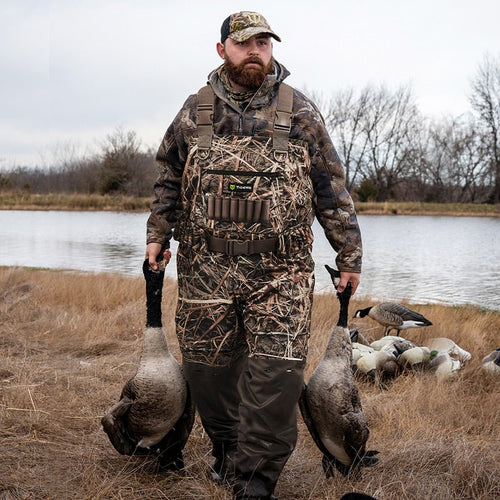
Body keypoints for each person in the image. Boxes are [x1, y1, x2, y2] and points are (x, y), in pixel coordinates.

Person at [145, 11, 362, 500]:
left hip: (280, 272)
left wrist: (348, 255)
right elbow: (168, 179)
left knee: (277, 376)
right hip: (206, 269)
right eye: (244, 43)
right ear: (221, 49)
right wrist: (158, 231)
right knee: (207, 374)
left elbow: (331, 188)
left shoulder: (299, 111)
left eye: (263, 43)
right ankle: (227, 453)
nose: (255, 51)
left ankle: (256, 481)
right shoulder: (194, 111)